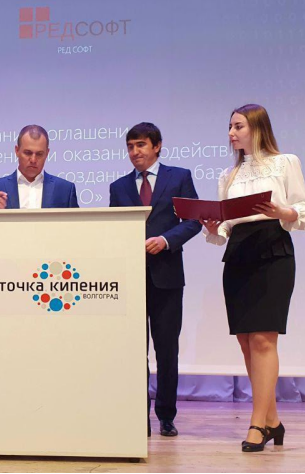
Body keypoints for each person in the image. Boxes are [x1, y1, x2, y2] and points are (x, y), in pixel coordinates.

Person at [201, 104, 305, 452]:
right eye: (230, 127)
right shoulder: (229, 175)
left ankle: (257, 424)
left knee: (264, 339)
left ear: (257, 127)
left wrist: (282, 211)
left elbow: (303, 209)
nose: (231, 133)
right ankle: (273, 421)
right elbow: (225, 225)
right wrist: (213, 228)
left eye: (238, 126)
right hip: (238, 253)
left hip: (272, 248)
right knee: (246, 342)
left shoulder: (285, 162)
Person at [108, 123, 201, 437]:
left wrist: (166, 240)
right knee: (135, 351)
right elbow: (115, 228)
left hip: (167, 277)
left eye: (141, 145)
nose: (135, 152)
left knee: (166, 350)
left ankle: (166, 415)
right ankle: (138, 416)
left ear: (157, 146)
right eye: (130, 146)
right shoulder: (118, 187)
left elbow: (193, 221)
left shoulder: (179, 177)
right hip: (131, 279)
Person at [0, 125, 78, 209]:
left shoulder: (65, 190)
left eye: (39, 154)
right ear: (17, 151)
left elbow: (77, 224)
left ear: (47, 153)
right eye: (28, 153)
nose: (33, 160)